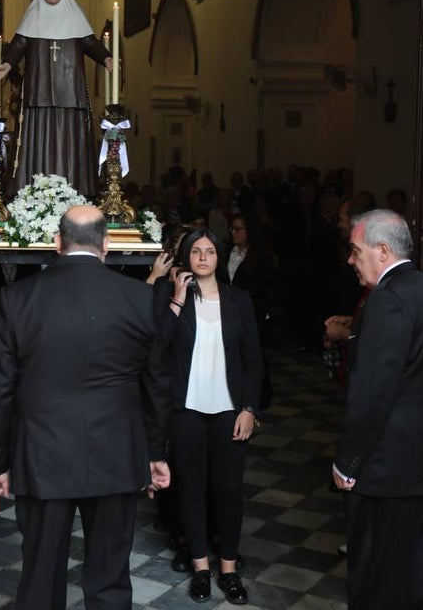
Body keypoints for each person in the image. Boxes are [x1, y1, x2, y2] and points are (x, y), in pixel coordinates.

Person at [0, 205, 171, 610]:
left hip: (42, 455)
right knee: (110, 578)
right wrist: (154, 454)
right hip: (117, 454)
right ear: (107, 244)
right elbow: (156, 386)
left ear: (57, 243)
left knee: (41, 575)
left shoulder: (17, 298)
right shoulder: (140, 297)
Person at [332, 209, 423, 609]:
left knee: (379, 586)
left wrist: (347, 463)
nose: (350, 261)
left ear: (382, 250)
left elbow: (372, 394)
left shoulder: (387, 302)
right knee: (418, 585)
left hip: (389, 475)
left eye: (356, 251)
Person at [155, 228, 263, 605]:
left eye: (210, 251)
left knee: (230, 490)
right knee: (191, 489)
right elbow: (158, 348)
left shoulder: (239, 299)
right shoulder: (175, 298)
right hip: (186, 410)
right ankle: (201, 566)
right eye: (196, 251)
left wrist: (250, 408)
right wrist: (178, 298)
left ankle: (228, 569)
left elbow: (253, 360)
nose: (203, 257)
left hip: (229, 410)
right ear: (187, 257)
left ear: (219, 257)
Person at [0, 0, 113, 196]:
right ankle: (33, 189)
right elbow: (20, 43)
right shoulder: (32, 18)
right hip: (39, 92)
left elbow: (90, 42)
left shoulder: (75, 18)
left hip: (71, 92)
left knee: (69, 139)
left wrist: (107, 57)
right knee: (39, 138)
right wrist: (7, 64)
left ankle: (74, 189)